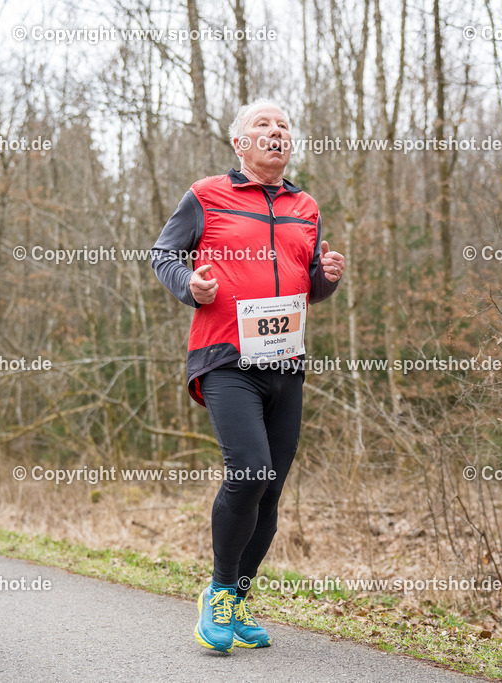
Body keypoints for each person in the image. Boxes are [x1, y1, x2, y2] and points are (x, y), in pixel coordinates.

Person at [151, 100, 345, 652]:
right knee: (250, 471)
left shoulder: (305, 206)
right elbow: (163, 254)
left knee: (272, 492)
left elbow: (310, 284)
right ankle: (216, 592)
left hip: (285, 363)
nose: (275, 132)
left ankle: (236, 598)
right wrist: (192, 285)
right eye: (263, 125)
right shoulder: (207, 195)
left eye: (283, 126)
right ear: (240, 144)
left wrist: (325, 277)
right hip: (225, 358)